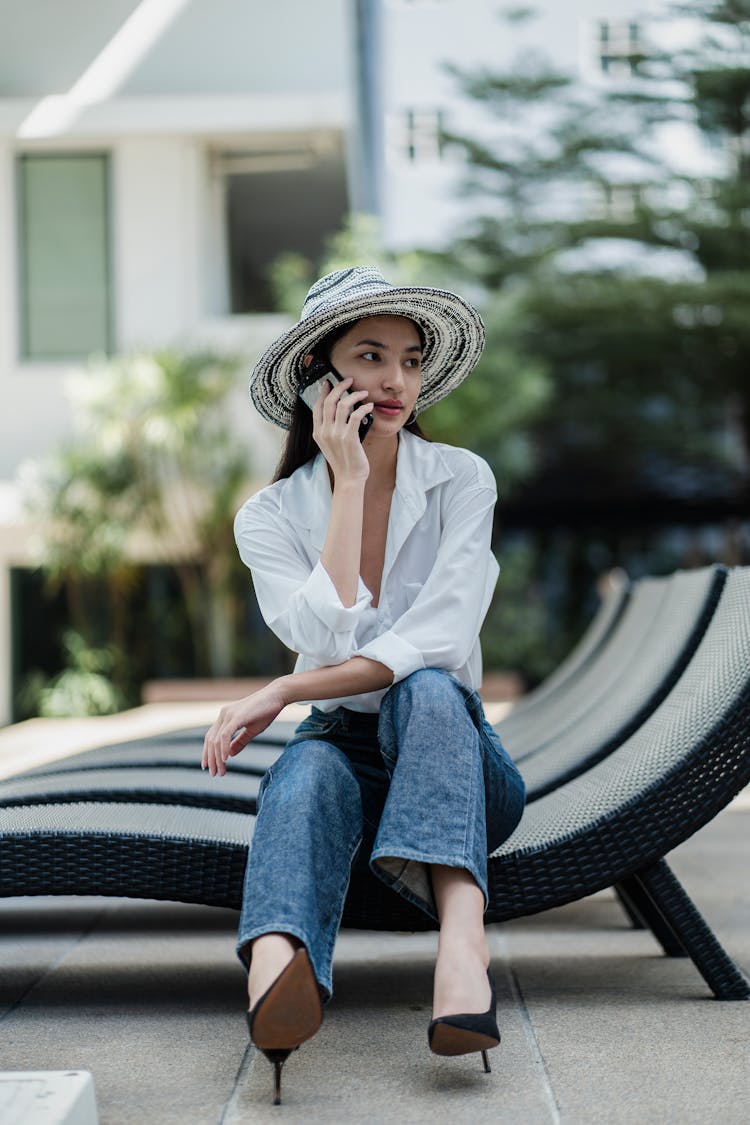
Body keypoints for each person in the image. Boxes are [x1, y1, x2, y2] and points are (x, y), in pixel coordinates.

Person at [202, 266, 526, 1104]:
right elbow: (318, 633)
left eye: (411, 360)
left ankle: (463, 940)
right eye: (371, 356)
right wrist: (346, 482)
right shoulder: (269, 517)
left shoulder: (462, 479)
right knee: (305, 770)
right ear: (320, 375)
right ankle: (276, 968)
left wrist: (280, 690)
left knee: (426, 687)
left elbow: (441, 640)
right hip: (345, 748)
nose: (396, 380)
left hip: (459, 762)